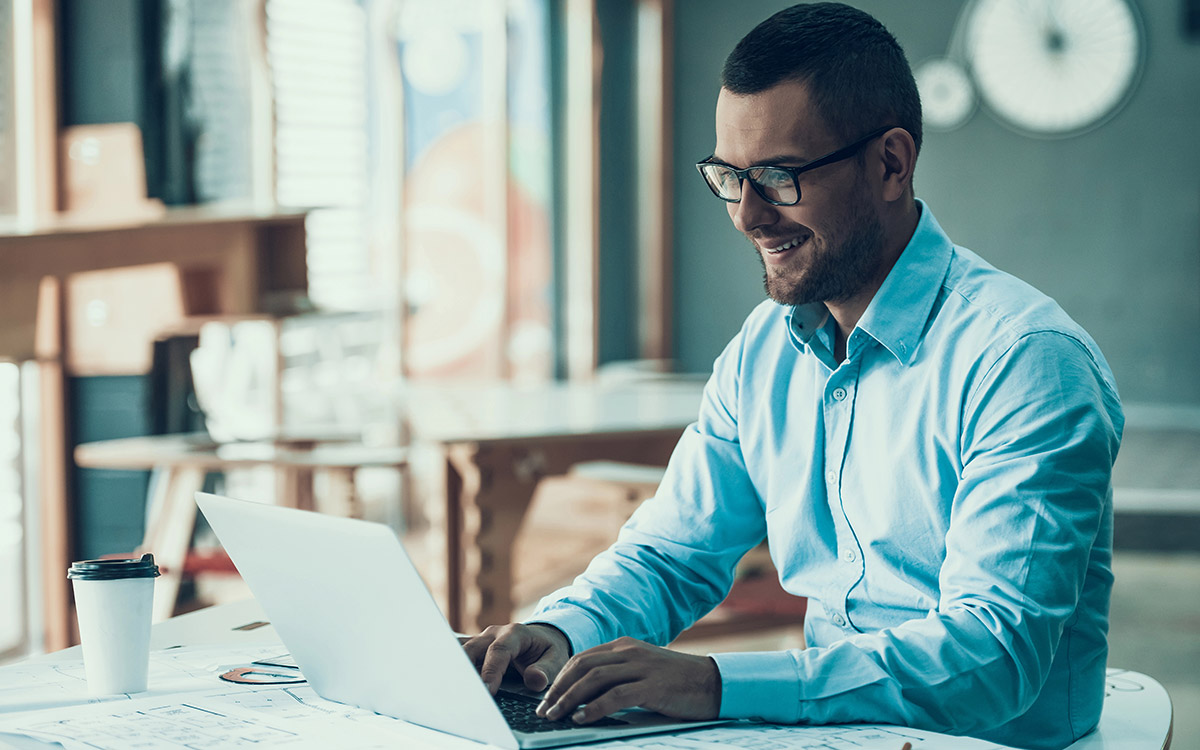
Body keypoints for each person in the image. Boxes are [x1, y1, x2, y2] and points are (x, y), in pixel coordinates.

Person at [463, 4, 1123, 749]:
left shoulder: (1026, 361)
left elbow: (994, 656)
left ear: (891, 164)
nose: (747, 215)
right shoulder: (764, 349)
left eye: (778, 176)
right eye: (730, 176)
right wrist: (560, 632)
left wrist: (713, 685)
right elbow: (674, 552)